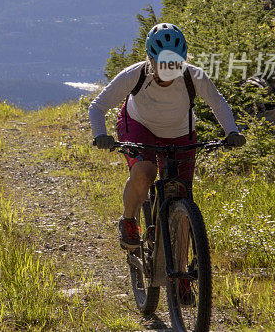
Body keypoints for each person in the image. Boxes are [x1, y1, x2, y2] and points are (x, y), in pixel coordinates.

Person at [89, 23, 246, 250]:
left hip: (179, 131)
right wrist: (100, 134)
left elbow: (218, 104)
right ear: (150, 59)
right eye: (163, 63)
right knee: (144, 173)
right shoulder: (134, 75)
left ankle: (181, 277)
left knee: (181, 194)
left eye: (175, 63)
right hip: (139, 124)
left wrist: (232, 132)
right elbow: (97, 106)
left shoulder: (194, 76)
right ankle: (129, 220)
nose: (169, 69)